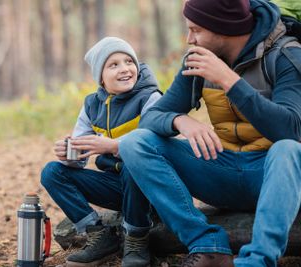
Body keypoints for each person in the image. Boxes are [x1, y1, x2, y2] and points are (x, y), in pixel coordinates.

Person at [118, 0, 301, 267]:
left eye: (196, 30)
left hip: (276, 176)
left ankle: (257, 261)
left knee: (287, 149)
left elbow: (291, 129)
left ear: (224, 27)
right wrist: (180, 120)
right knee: (136, 143)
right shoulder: (197, 59)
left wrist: (230, 81)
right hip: (224, 170)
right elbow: (151, 118)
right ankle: (207, 245)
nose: (189, 39)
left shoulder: (286, 55)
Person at [41, 37, 162, 267]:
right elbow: (80, 157)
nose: (125, 68)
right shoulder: (92, 105)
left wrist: (112, 145)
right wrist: (70, 155)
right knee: (52, 172)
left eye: (129, 61)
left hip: (151, 185)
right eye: (113, 64)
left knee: (133, 163)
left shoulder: (150, 97)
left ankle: (137, 237)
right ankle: (98, 235)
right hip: (116, 185)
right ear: (100, 77)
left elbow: (154, 141)